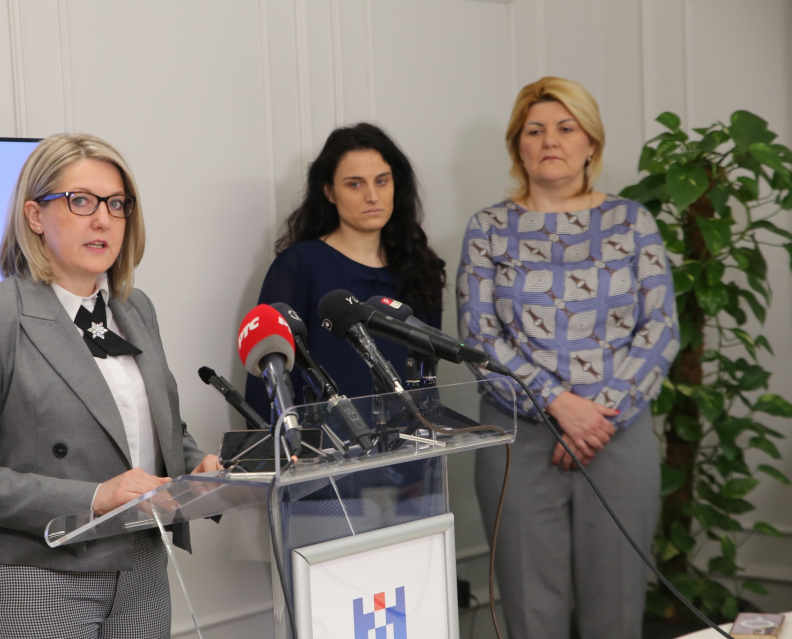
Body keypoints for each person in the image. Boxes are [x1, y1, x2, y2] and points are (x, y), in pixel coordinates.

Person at [0, 133, 221, 639]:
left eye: (116, 204)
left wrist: (194, 468)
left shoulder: (135, 308)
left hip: (141, 568)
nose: (103, 219)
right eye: (81, 201)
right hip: (34, 579)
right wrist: (95, 496)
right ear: (35, 216)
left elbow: (150, 424)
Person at [457, 77, 679, 639]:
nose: (550, 140)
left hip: (616, 434)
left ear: (591, 143)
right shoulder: (487, 228)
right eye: (534, 130)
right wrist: (559, 404)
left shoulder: (633, 222)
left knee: (616, 611)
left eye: (565, 127)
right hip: (519, 440)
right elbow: (479, 336)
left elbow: (660, 328)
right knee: (531, 614)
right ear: (518, 145)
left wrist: (597, 416)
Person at [245, 122, 446, 417]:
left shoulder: (420, 266)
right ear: (328, 191)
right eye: (355, 184)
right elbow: (269, 380)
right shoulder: (299, 265)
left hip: (410, 438)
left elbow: (429, 377)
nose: (372, 196)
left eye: (382, 181)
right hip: (326, 441)